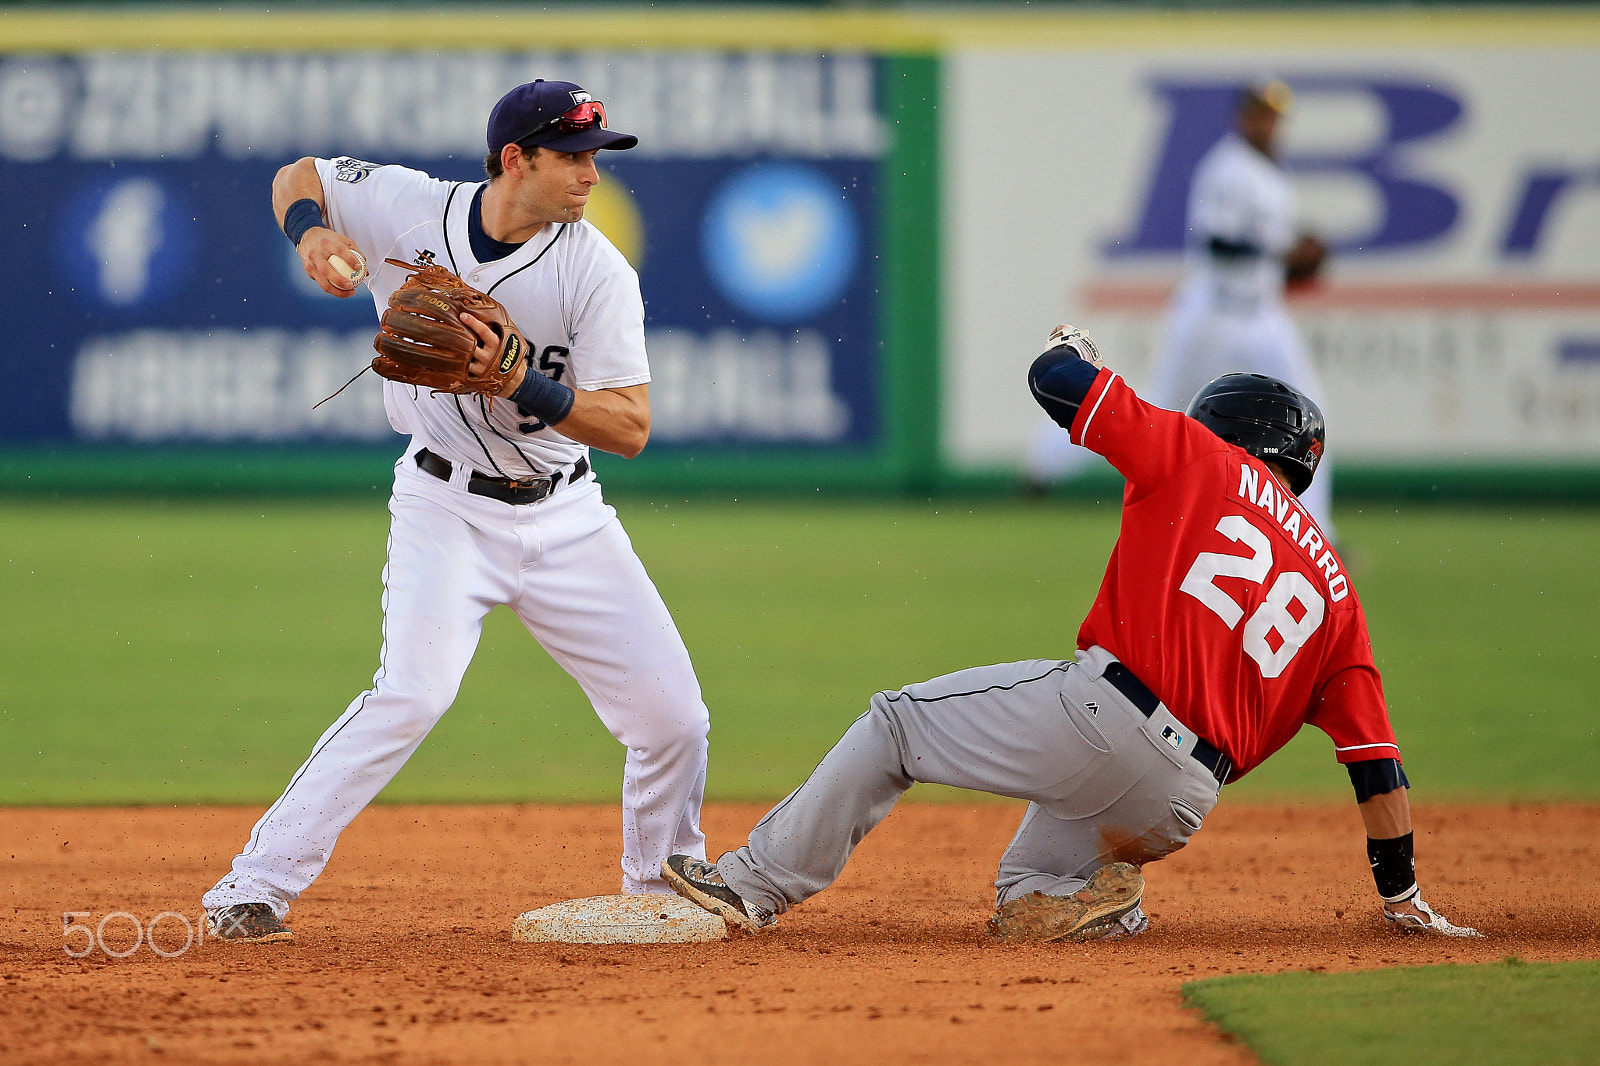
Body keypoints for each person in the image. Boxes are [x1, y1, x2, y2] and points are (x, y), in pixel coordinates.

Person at [663, 324, 1478, 943]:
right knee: (1026, 892)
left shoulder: (1196, 453)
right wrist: (1399, 896)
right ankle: (1100, 913)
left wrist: (1073, 347)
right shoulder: (1339, 596)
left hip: (1104, 722)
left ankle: (752, 884)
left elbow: (1055, 381)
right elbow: (1378, 767)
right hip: (1181, 805)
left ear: (1221, 426)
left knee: (896, 725)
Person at [202, 79, 712, 944]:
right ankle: (250, 887)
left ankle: (657, 886)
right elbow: (301, 174)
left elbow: (629, 428)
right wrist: (313, 232)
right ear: (516, 159)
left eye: (597, 156)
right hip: (444, 504)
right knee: (411, 692)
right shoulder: (409, 207)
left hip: (566, 516)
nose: (593, 174)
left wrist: (525, 382)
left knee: (675, 720)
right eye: (575, 156)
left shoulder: (595, 270)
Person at [1026, 79, 1334, 534]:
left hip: (1263, 315)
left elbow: (1268, 258)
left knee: (1308, 413)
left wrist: (1301, 261)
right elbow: (1218, 244)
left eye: (1273, 116)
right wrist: (1285, 253)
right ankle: (1042, 466)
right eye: (1258, 113)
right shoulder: (1226, 169)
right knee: (1153, 407)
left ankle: (1320, 532)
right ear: (1242, 117)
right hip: (1211, 314)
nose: (1266, 123)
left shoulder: (1273, 173)